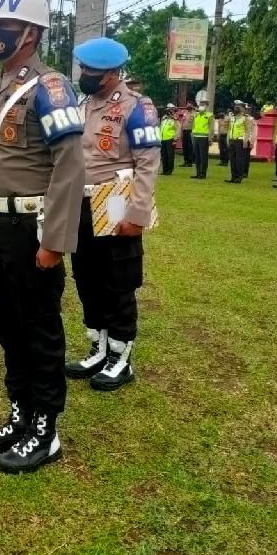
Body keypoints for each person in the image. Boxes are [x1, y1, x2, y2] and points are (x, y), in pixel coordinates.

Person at [0, 0, 84, 474]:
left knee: (37, 326)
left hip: (31, 227)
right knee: (5, 320)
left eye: (6, 29)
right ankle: (20, 413)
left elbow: (70, 163)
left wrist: (54, 241)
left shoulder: (50, 86)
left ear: (32, 34)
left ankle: (46, 428)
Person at [65, 37, 160, 392]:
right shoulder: (84, 103)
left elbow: (148, 163)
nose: (84, 75)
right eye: (84, 69)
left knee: (117, 279)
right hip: (82, 201)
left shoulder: (138, 106)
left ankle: (121, 357)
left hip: (117, 198)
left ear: (111, 73)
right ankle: (99, 347)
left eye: (91, 71)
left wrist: (137, 213)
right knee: (86, 275)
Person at [225, 100, 250, 184]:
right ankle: (233, 176)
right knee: (232, 159)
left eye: (238, 107)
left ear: (242, 108)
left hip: (240, 140)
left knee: (239, 159)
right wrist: (228, 139)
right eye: (235, 107)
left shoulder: (245, 118)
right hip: (232, 139)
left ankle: (239, 177)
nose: (236, 108)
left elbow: (247, 130)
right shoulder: (232, 117)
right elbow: (228, 129)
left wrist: (246, 141)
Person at [190, 100, 213, 179]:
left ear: (207, 106)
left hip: (204, 138)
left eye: (203, 105)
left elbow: (211, 128)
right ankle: (198, 173)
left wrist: (210, 139)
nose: (201, 106)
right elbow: (193, 126)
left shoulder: (209, 115)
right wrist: (192, 135)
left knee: (203, 156)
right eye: (200, 104)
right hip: (196, 137)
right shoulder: (196, 115)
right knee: (197, 156)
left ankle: (203, 173)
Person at [159, 104, 178, 175]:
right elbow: (161, 128)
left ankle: (169, 170)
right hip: (162, 139)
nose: (167, 111)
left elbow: (177, 129)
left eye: (169, 110)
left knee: (170, 156)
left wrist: (175, 139)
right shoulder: (164, 118)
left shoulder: (174, 119)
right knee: (164, 156)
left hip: (170, 139)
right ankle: (164, 170)